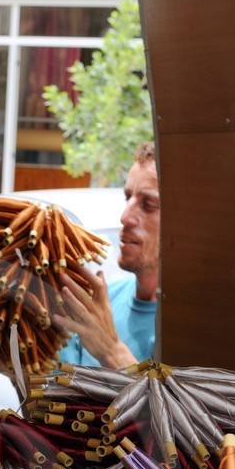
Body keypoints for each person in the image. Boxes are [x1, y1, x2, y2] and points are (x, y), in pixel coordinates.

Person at [50, 142, 160, 370]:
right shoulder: (101, 304)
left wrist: (111, 351)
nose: (125, 216)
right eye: (127, 197)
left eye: (148, 205)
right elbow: (50, 401)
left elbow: (175, 406)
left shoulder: (195, 330)